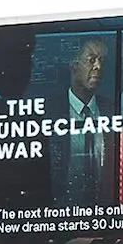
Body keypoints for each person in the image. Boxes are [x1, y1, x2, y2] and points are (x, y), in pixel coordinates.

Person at [48, 34, 114, 210]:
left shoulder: (112, 110)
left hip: (106, 217)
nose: (98, 66)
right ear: (74, 66)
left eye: (102, 61)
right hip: (59, 218)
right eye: (91, 59)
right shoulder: (49, 113)